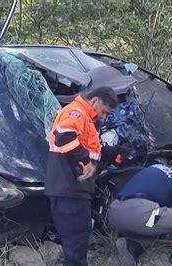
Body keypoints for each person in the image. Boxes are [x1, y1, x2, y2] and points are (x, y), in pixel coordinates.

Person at [45, 86, 125, 266]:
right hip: (69, 189)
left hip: (74, 190)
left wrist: (112, 154)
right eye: (104, 112)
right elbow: (64, 137)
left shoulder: (87, 120)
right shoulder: (76, 113)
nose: (104, 117)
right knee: (76, 245)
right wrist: (86, 161)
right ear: (95, 101)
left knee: (78, 244)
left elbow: (90, 150)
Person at [108, 162, 172, 266]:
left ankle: (132, 245)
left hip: (115, 211)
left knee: (155, 223)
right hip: (139, 213)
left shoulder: (156, 167)